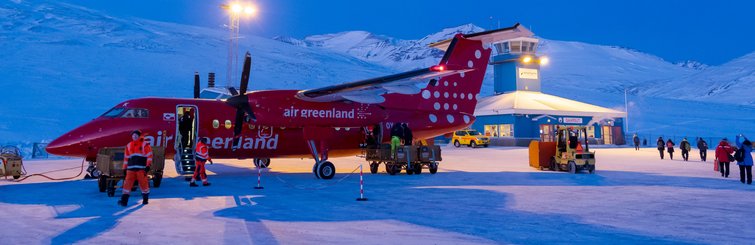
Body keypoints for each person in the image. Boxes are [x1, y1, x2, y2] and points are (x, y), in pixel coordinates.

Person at [118, 130, 152, 206]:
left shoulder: (145, 144)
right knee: (127, 185)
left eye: (136, 135)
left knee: (144, 184)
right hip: (130, 169)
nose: (134, 136)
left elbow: (149, 156)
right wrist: (124, 168)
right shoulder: (129, 145)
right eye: (133, 135)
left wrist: (148, 166)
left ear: (139, 136)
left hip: (141, 169)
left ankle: (145, 200)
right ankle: (124, 201)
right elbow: (126, 158)